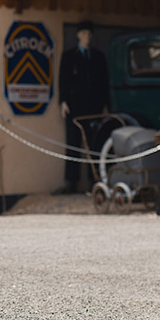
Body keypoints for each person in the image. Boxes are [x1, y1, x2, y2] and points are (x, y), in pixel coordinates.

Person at [57, 21, 109, 194]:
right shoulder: (69, 56)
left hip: (93, 107)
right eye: (84, 33)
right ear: (78, 35)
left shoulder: (98, 57)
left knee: (94, 144)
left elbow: (104, 83)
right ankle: (71, 181)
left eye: (89, 34)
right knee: (73, 143)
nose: (87, 37)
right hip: (74, 107)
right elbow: (63, 80)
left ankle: (95, 179)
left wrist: (106, 106)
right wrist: (63, 102)